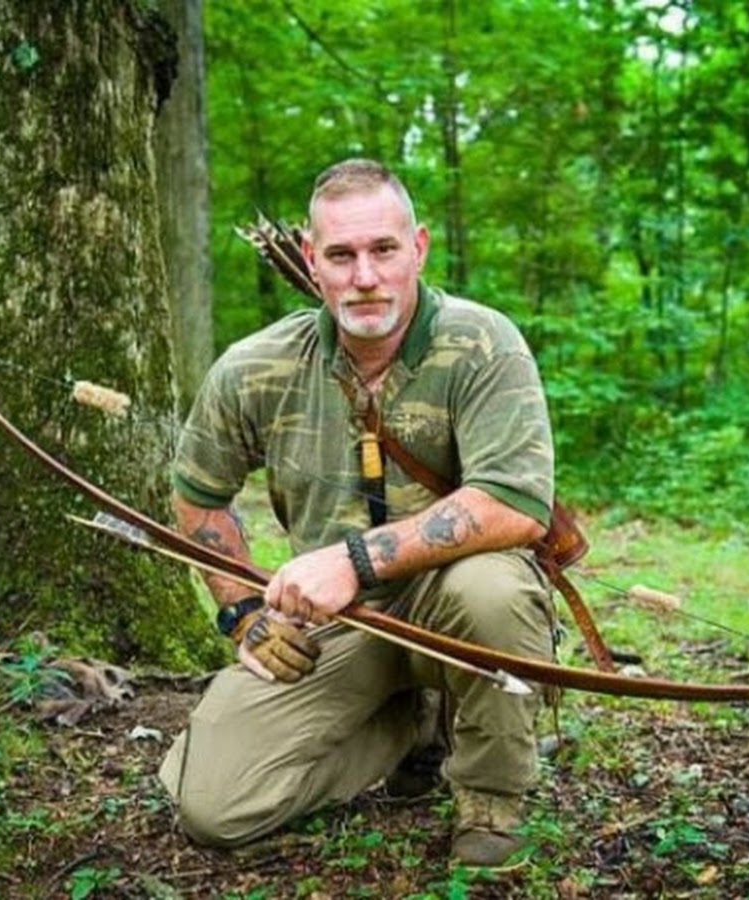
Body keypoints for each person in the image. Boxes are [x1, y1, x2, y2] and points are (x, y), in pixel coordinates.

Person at [159, 158, 556, 866]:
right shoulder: (255, 366)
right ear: (311, 259)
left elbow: (517, 504)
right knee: (214, 805)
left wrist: (352, 559)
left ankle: (490, 801)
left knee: (493, 591)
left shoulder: (484, 343)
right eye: (340, 255)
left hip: (453, 600)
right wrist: (241, 610)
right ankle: (412, 722)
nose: (364, 276)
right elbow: (197, 495)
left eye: (383, 250)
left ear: (419, 249)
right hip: (335, 624)